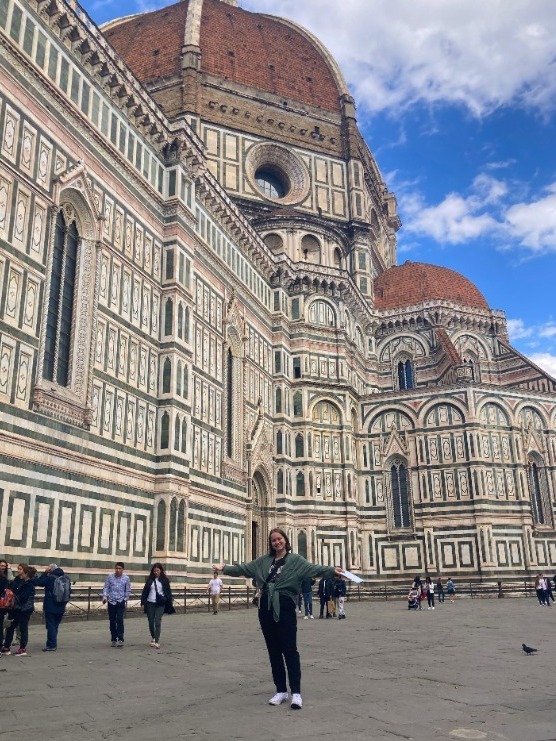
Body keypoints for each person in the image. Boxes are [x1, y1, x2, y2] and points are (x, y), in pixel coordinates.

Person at [213, 527, 343, 710]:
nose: (277, 542)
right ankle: (281, 690)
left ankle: (296, 692)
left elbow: (314, 569)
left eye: (279, 539)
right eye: (273, 540)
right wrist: (224, 568)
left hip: (285, 606)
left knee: (289, 650)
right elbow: (244, 568)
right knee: (273, 650)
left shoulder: (295, 560)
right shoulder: (263, 562)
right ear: (271, 543)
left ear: (285, 540)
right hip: (265, 607)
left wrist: (332, 571)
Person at [1, 564, 36, 656]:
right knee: (10, 627)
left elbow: (23, 598)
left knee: (23, 628)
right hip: (14, 608)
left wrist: (12, 595)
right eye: (18, 569)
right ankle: (6, 647)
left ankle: (22, 648)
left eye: (20, 569)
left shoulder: (29, 584)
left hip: (25, 609)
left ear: (26, 572)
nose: (18, 571)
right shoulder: (16, 580)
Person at [35, 563, 69, 652]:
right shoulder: (65, 578)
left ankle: (51, 645)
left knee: (50, 626)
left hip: (50, 606)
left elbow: (39, 582)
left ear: (50, 570)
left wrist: (45, 573)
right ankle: (52, 643)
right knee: (55, 626)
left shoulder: (50, 578)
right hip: (61, 605)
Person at [140, 563, 175, 648]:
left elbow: (168, 591)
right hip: (150, 603)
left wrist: (169, 600)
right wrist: (143, 601)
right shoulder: (149, 580)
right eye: (154, 571)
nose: (156, 572)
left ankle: (157, 641)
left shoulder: (164, 580)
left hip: (160, 603)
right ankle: (153, 637)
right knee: (151, 622)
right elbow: (145, 591)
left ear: (161, 571)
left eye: (157, 570)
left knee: (157, 621)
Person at [102, 562, 131, 647]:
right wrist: (104, 596)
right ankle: (114, 639)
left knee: (119, 620)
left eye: (119, 568)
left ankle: (120, 638)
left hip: (120, 601)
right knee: (112, 621)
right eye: (116, 568)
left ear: (122, 569)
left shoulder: (126, 578)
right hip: (111, 601)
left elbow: (128, 589)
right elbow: (106, 587)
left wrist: (125, 598)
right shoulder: (110, 577)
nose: (118, 570)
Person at [0, 560, 12, 647]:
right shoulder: (4, 579)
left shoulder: (5, 578)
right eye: (1, 565)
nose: (3, 567)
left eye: (4, 566)